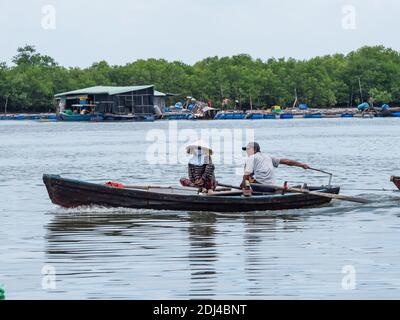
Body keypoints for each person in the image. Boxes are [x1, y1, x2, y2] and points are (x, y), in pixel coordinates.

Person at [240, 142, 310, 191]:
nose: (247, 151)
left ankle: (247, 192)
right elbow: (287, 162)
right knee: (249, 176)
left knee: (247, 177)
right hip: (272, 187)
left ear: (254, 150)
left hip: (262, 187)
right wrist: (302, 165)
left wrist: (242, 186)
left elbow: (246, 176)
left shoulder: (251, 158)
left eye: (248, 149)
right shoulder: (268, 156)